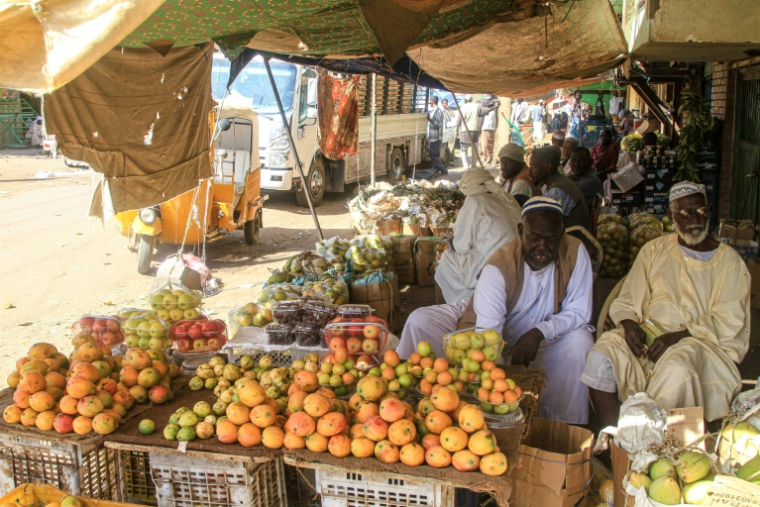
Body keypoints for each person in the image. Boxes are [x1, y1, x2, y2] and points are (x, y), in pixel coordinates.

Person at [399, 197, 594, 424]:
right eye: (535, 237)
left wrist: (539, 332)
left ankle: (562, 423)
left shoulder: (576, 252)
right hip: (484, 318)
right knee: (419, 320)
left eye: (551, 239)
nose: (543, 247)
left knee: (581, 341)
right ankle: (418, 403)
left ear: (562, 235)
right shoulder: (499, 266)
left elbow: (580, 311)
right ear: (521, 231)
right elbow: (488, 336)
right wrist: (498, 392)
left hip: (546, 333)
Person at [581, 182, 750, 427]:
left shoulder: (730, 262)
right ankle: (615, 441)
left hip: (700, 343)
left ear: (709, 212)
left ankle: (650, 444)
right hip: (647, 338)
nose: (694, 219)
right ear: (671, 216)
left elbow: (730, 319)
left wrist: (678, 336)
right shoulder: (654, 250)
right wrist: (629, 326)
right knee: (602, 355)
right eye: (685, 213)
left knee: (678, 370)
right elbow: (628, 298)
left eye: (700, 211)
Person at [434, 168, 522, 304]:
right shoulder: (508, 197)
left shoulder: (473, 201)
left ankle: (454, 306)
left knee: (445, 260)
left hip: (490, 268)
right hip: (517, 264)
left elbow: (461, 247)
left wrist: (451, 241)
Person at [529, 147, 590, 230]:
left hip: (574, 240)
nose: (529, 172)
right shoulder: (549, 185)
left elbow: (548, 226)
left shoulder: (557, 190)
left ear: (548, 167)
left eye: (533, 167)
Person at [567, 147, 602, 214]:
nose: (576, 164)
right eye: (573, 161)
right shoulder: (577, 177)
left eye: (581, 161)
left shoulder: (591, 182)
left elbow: (566, 199)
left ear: (590, 162)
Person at [455, 95, 482, 169]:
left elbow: (458, 121)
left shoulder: (462, 107)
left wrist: (456, 130)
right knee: (474, 149)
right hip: (475, 130)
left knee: (464, 149)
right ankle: (473, 165)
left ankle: (466, 166)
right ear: (471, 99)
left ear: (465, 100)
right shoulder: (477, 106)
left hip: (465, 131)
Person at [426, 96, 448, 176]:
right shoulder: (434, 111)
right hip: (433, 137)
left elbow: (439, 124)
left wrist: (430, 120)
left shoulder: (438, 111)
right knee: (435, 154)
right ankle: (436, 169)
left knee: (433, 154)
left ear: (432, 102)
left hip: (436, 137)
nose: (429, 104)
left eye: (430, 102)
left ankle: (443, 170)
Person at [479, 95, 500, 165]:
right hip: (483, 126)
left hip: (490, 126)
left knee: (489, 144)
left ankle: (489, 157)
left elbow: (495, 117)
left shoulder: (495, 106)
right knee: (483, 144)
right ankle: (485, 156)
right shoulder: (483, 106)